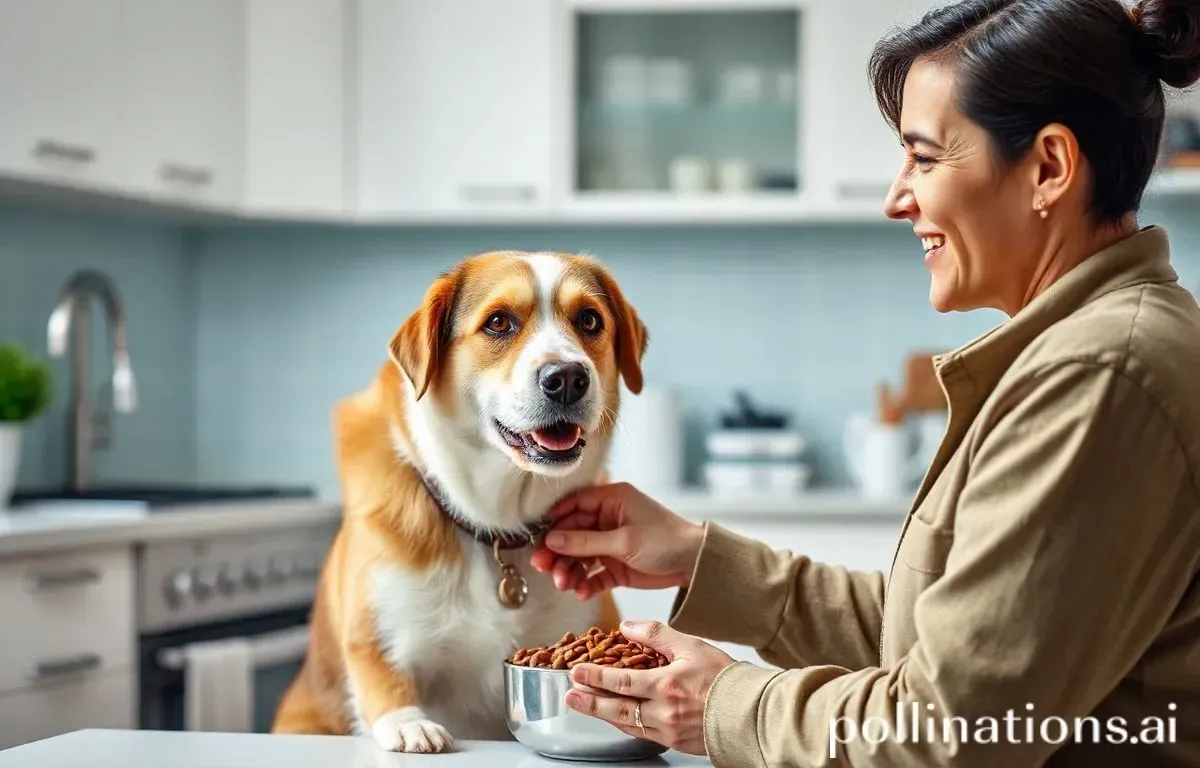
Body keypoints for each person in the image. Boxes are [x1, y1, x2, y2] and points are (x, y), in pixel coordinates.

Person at [530, 0, 1200, 765]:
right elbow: (942, 636)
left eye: (923, 157)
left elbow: (948, 727)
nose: (895, 197)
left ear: (1048, 167)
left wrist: (723, 703)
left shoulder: (1100, 375)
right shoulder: (1089, 349)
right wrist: (695, 555)